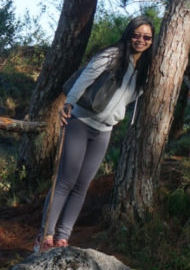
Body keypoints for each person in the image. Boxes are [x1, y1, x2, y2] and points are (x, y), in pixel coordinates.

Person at [37, 16, 155, 251]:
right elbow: (87, 77)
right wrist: (69, 104)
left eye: (146, 37)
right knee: (65, 180)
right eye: (136, 34)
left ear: (152, 41)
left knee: (82, 184)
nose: (140, 40)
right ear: (129, 34)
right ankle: (45, 237)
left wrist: (116, 115)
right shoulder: (112, 55)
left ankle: (63, 237)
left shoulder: (145, 68)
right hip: (80, 120)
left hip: (104, 130)